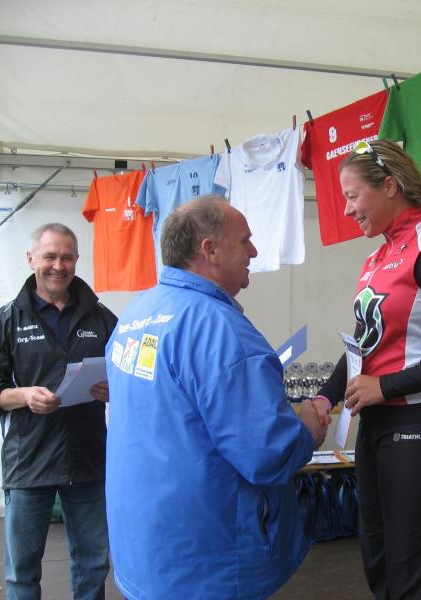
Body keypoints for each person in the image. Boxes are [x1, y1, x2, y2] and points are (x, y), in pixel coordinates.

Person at [104, 195, 328, 600]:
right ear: (209, 250)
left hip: (145, 545)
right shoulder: (222, 333)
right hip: (208, 558)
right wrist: (308, 429)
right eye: (245, 240)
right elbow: (267, 453)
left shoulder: (137, 313)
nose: (254, 251)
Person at [312, 140, 421, 599]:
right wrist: (324, 398)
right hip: (377, 424)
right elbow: (362, 345)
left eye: (353, 195)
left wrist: (385, 386)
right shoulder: (376, 259)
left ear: (389, 186)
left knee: (414, 570)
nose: (347, 209)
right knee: (379, 561)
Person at [0, 223, 115, 600]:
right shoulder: (5, 321)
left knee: (93, 564)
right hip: (29, 462)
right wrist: (23, 396)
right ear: (31, 259)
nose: (58, 266)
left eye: (66, 257)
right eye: (49, 256)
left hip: (88, 460)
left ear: (77, 260)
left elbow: (129, 375)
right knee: (22, 571)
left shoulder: (102, 318)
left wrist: (115, 390)